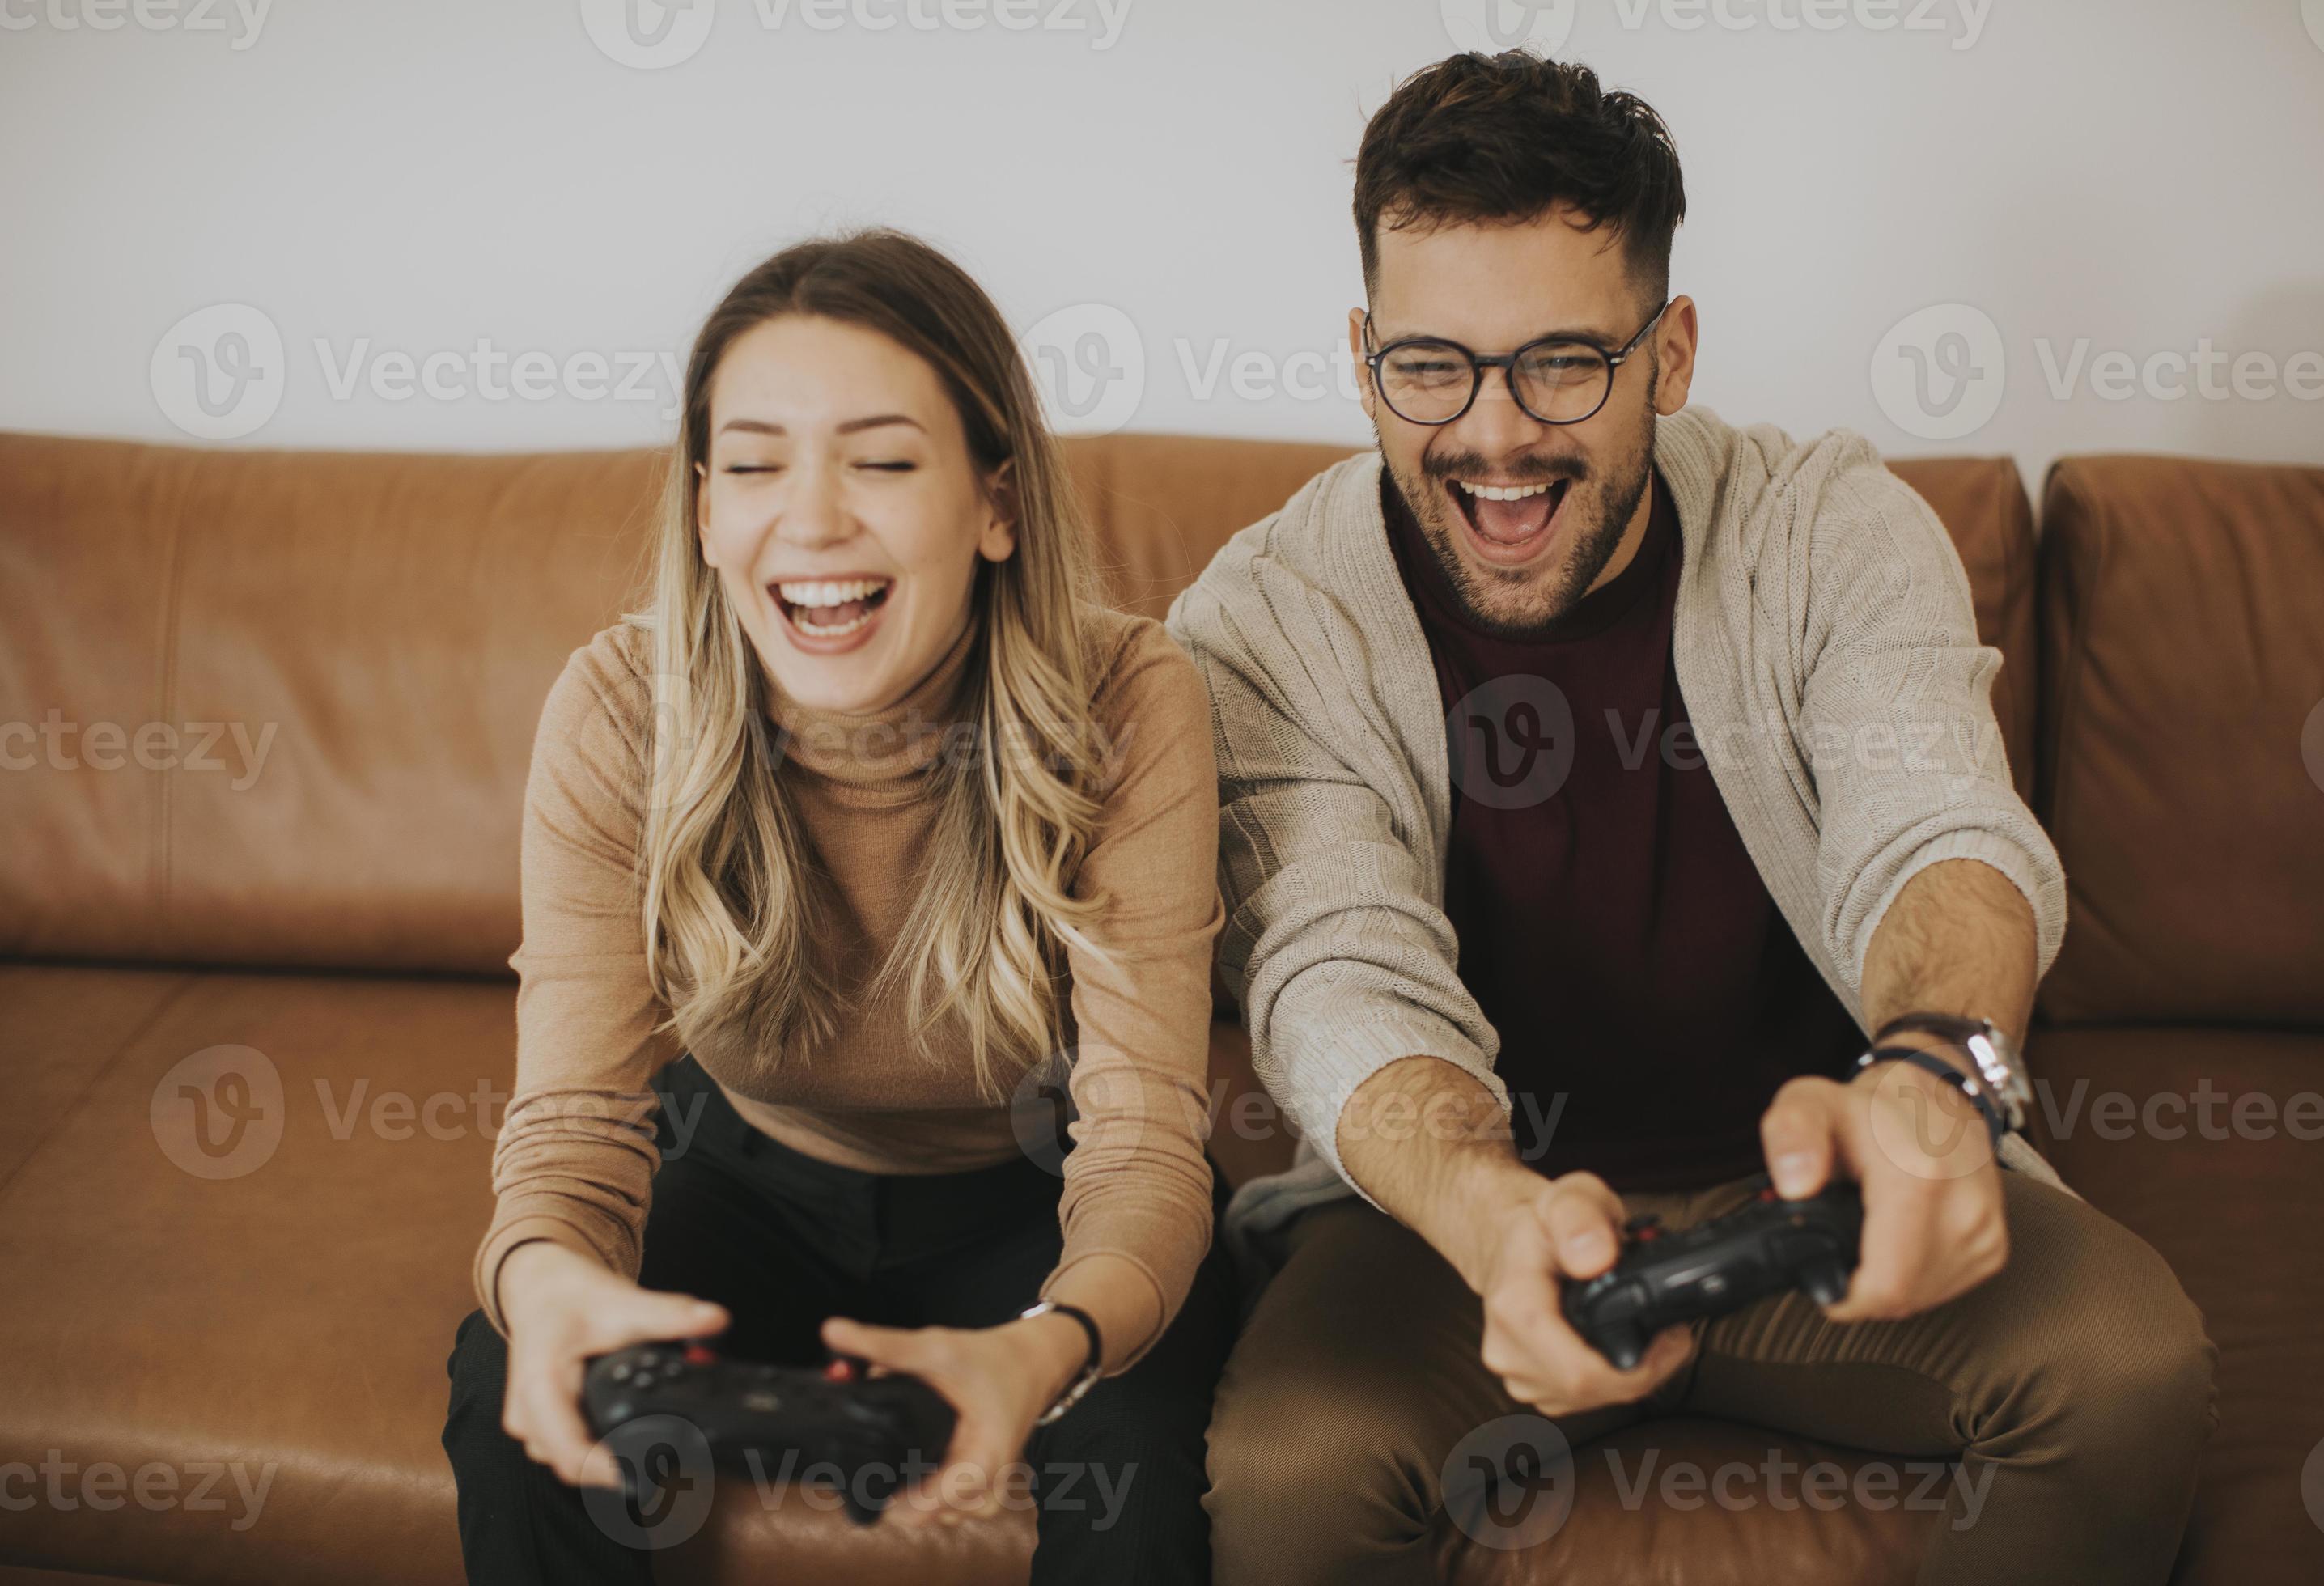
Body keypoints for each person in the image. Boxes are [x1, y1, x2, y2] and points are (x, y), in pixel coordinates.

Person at [1168, 52, 2217, 1586]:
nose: (1496, 436)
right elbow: (1336, 968)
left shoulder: (1833, 527)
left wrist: (1932, 1077)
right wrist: (1487, 1209)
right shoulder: (1264, 616)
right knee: (1292, 1475)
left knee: (2126, 1371)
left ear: (1670, 354)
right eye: (1433, 365)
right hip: (1466, 1222)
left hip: (1812, 1200)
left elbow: (1936, 826)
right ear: (1363, 351)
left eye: (1563, 364)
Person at [441, 228, 1236, 1585]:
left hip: (1038, 1196)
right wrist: (544, 1286)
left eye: (878, 460)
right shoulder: (621, 709)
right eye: (753, 465)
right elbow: (572, 1132)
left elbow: (1149, 1142)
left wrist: (1047, 1346)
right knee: (515, 1396)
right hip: (748, 1171)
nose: (807, 521)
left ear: (997, 505)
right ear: (703, 509)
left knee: (1140, 1479)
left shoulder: (1130, 701)